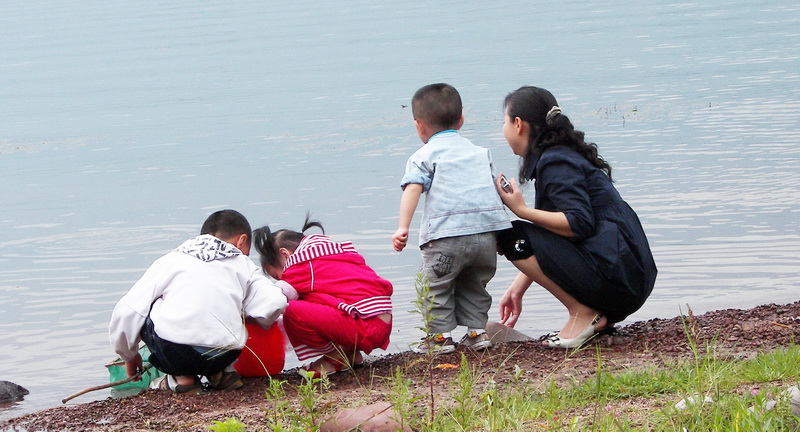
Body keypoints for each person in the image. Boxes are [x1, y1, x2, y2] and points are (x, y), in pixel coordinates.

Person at [494, 86, 657, 348]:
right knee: (522, 234)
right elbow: (551, 236)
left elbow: (577, 224)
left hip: (619, 279)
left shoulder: (555, 162)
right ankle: (598, 314)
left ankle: (583, 313)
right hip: (627, 278)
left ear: (518, 124)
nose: (503, 129)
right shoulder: (561, 156)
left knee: (508, 233)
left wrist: (520, 210)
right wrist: (518, 288)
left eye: (503, 121)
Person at [109, 210, 288, 393]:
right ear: (241, 241)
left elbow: (128, 311)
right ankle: (221, 374)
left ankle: (182, 380)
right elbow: (275, 302)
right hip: (227, 354)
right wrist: (255, 320)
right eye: (247, 252)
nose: (244, 255)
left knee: (149, 306)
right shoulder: (244, 263)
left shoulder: (171, 260)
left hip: (178, 355)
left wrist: (129, 355)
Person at [392, 83, 512, 354]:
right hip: (485, 238)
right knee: (475, 284)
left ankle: (439, 339)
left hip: (445, 238)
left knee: (436, 286)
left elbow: (413, 188)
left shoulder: (423, 156)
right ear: (461, 120)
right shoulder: (481, 153)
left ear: (419, 126)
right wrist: (502, 231)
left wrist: (403, 227)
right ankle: (476, 333)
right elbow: (496, 189)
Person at [253, 215, 393, 377]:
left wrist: (254, 316)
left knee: (292, 309)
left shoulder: (301, 264)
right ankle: (350, 353)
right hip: (378, 320)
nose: (282, 278)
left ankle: (336, 357)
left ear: (285, 255)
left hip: (366, 327)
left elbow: (277, 298)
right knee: (311, 298)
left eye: (277, 275)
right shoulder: (331, 252)